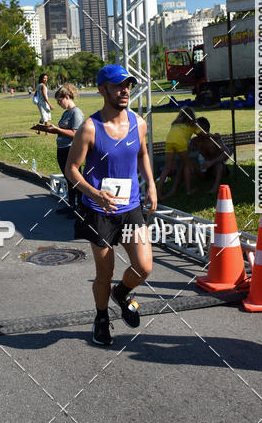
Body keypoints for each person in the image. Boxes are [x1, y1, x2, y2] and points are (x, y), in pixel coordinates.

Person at [66, 64, 157, 347]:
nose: (125, 90)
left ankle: (122, 293)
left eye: (127, 85)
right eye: (118, 86)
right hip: (99, 211)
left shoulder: (138, 123)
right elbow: (71, 169)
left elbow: (142, 153)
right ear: (102, 89)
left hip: (129, 208)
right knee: (105, 273)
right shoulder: (90, 128)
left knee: (143, 266)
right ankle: (101, 317)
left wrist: (151, 184)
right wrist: (93, 193)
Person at [43, 84, 84, 214]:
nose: (59, 103)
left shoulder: (76, 112)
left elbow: (75, 133)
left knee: (75, 180)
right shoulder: (66, 113)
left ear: (67, 97)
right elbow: (62, 131)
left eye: (60, 100)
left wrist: (57, 129)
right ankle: (71, 205)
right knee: (68, 179)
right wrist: (50, 129)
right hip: (62, 148)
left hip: (71, 149)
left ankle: (80, 208)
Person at [156, 107, 200, 198]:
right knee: (187, 165)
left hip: (169, 142)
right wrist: (213, 135)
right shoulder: (192, 125)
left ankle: (158, 191)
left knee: (167, 168)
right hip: (180, 143)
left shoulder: (175, 123)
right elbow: (203, 134)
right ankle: (188, 190)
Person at [190, 117, 230, 194]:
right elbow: (186, 152)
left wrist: (211, 162)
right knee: (190, 161)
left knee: (219, 164)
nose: (195, 130)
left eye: (197, 128)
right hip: (204, 169)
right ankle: (189, 188)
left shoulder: (214, 139)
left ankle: (216, 187)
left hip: (217, 168)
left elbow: (227, 152)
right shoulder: (194, 141)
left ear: (205, 129)